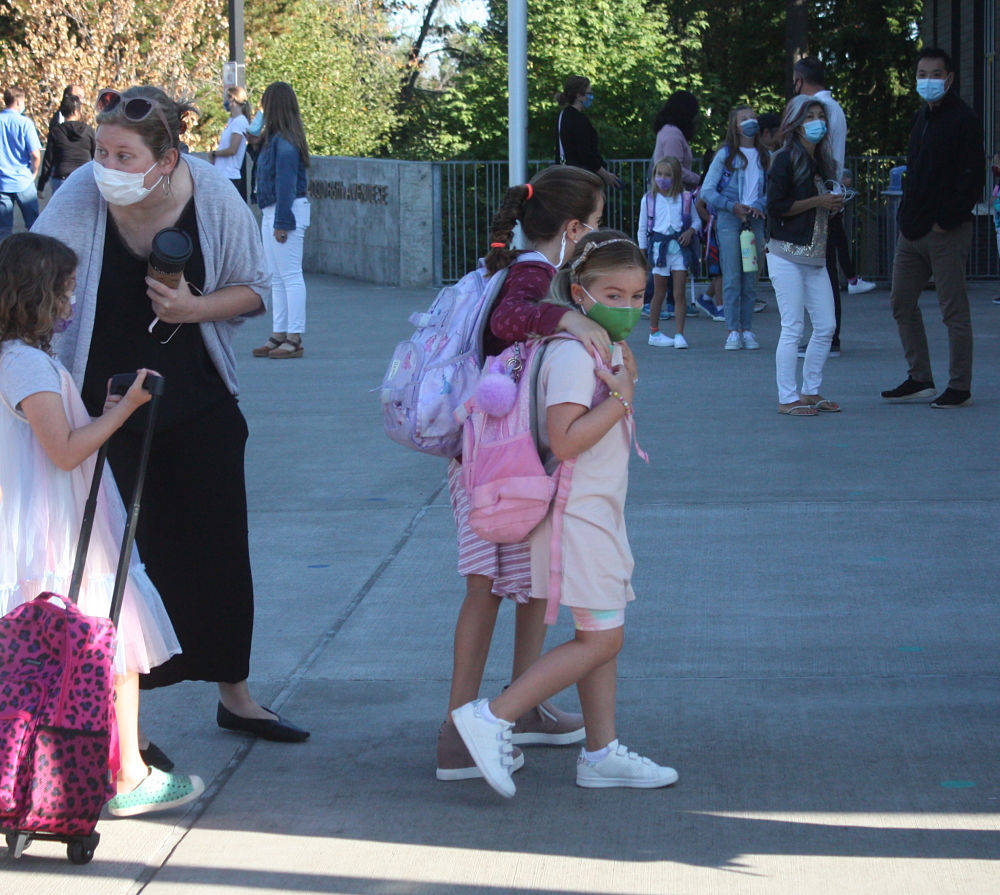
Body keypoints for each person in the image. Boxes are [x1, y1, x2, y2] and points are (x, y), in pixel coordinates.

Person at [32, 85, 309, 747]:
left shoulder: (211, 195)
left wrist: (191, 307)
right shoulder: (78, 197)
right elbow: (31, 281)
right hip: (103, 409)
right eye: (101, 150)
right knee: (117, 561)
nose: (106, 164)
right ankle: (124, 727)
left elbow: (254, 290)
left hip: (198, 399)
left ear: (166, 157)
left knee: (216, 550)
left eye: (123, 153)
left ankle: (235, 695)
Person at [451, 230, 677, 798]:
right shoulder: (577, 355)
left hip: (595, 513)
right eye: (613, 293)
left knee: (597, 630)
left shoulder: (595, 348)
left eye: (637, 295)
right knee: (602, 641)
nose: (627, 307)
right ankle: (494, 715)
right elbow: (566, 439)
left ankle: (601, 754)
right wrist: (624, 396)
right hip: (578, 517)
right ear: (580, 292)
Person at [0, 231, 203, 816]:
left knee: (79, 646)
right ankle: (129, 775)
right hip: (60, 529)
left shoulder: (21, 362)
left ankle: (90, 766)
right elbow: (63, 449)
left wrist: (110, 409)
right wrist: (127, 412)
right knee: (110, 638)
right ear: (35, 295)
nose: (69, 305)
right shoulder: (27, 366)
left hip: (55, 521)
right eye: (62, 292)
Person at [439, 164, 623, 782]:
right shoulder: (532, 274)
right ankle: (459, 734)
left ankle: (526, 707)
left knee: (532, 586)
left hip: (504, 457)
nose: (597, 235)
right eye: (594, 225)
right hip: (497, 463)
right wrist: (567, 318)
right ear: (573, 228)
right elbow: (508, 323)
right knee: (486, 588)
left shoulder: (525, 268)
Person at [880, 48, 985, 409]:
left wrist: (946, 220)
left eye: (935, 73)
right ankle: (920, 377)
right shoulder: (920, 118)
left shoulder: (964, 119)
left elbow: (973, 177)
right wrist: (905, 216)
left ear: (950, 77)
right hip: (912, 229)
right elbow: (915, 170)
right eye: (922, 73)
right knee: (900, 302)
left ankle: (960, 386)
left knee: (952, 309)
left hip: (946, 231)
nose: (928, 80)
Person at [766, 95, 844, 416]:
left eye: (819, 116)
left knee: (826, 325)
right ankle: (788, 396)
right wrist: (819, 201)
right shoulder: (784, 159)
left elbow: (820, 204)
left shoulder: (822, 161)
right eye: (809, 116)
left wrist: (834, 204)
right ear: (796, 125)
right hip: (785, 251)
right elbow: (776, 207)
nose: (816, 122)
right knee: (793, 326)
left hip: (814, 254)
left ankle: (810, 390)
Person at [793, 58, 876, 357]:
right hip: (831, 193)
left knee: (820, 270)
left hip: (820, 196)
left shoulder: (814, 110)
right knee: (823, 267)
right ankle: (828, 335)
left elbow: (815, 153)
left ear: (800, 79)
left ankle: (827, 337)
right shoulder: (835, 108)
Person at [701, 105, 768, 351]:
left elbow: (772, 191)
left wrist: (760, 205)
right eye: (744, 119)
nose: (750, 122)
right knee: (731, 276)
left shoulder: (764, 155)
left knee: (751, 276)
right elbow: (708, 190)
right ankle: (732, 329)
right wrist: (731, 206)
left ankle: (747, 328)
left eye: (753, 117)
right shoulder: (726, 155)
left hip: (754, 220)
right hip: (730, 220)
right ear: (735, 126)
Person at [252, 82, 310, 360]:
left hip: (284, 210)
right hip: (273, 210)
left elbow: (286, 183)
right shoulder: (275, 140)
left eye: (264, 105)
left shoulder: (285, 143)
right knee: (276, 276)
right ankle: (279, 332)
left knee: (290, 275)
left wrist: (282, 222)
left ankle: (294, 337)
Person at [637, 156, 700, 349]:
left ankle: (680, 334)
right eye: (659, 174)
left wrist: (690, 231)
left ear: (676, 177)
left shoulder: (685, 198)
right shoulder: (648, 199)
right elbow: (642, 228)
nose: (662, 178)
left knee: (680, 292)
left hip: (679, 250)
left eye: (667, 175)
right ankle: (654, 331)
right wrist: (642, 253)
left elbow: (696, 221)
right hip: (659, 250)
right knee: (659, 292)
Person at [554, 76, 622, 190]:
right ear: (579, 96)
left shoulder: (563, 116)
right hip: (581, 178)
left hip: (565, 175)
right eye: (589, 93)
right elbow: (586, 154)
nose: (591, 97)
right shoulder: (579, 120)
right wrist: (605, 175)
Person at [0, 87, 41, 240]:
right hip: (23, 180)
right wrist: (34, 173)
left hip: (2, 182)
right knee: (35, 225)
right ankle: (37, 257)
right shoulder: (25, 123)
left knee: (3, 229)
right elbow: (35, 154)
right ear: (18, 101)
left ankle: (4, 259)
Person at [37, 94, 96, 195]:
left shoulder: (56, 131)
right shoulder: (88, 131)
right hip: (84, 178)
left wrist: (41, 186)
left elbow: (48, 161)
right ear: (76, 112)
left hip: (62, 179)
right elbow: (96, 156)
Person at [650, 91, 700, 189]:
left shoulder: (668, 131)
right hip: (671, 193)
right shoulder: (672, 135)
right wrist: (700, 180)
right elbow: (674, 168)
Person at [210, 86, 251, 200]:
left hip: (230, 175)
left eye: (228, 98)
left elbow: (233, 149)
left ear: (233, 99)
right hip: (222, 174)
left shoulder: (240, 122)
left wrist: (215, 154)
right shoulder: (232, 121)